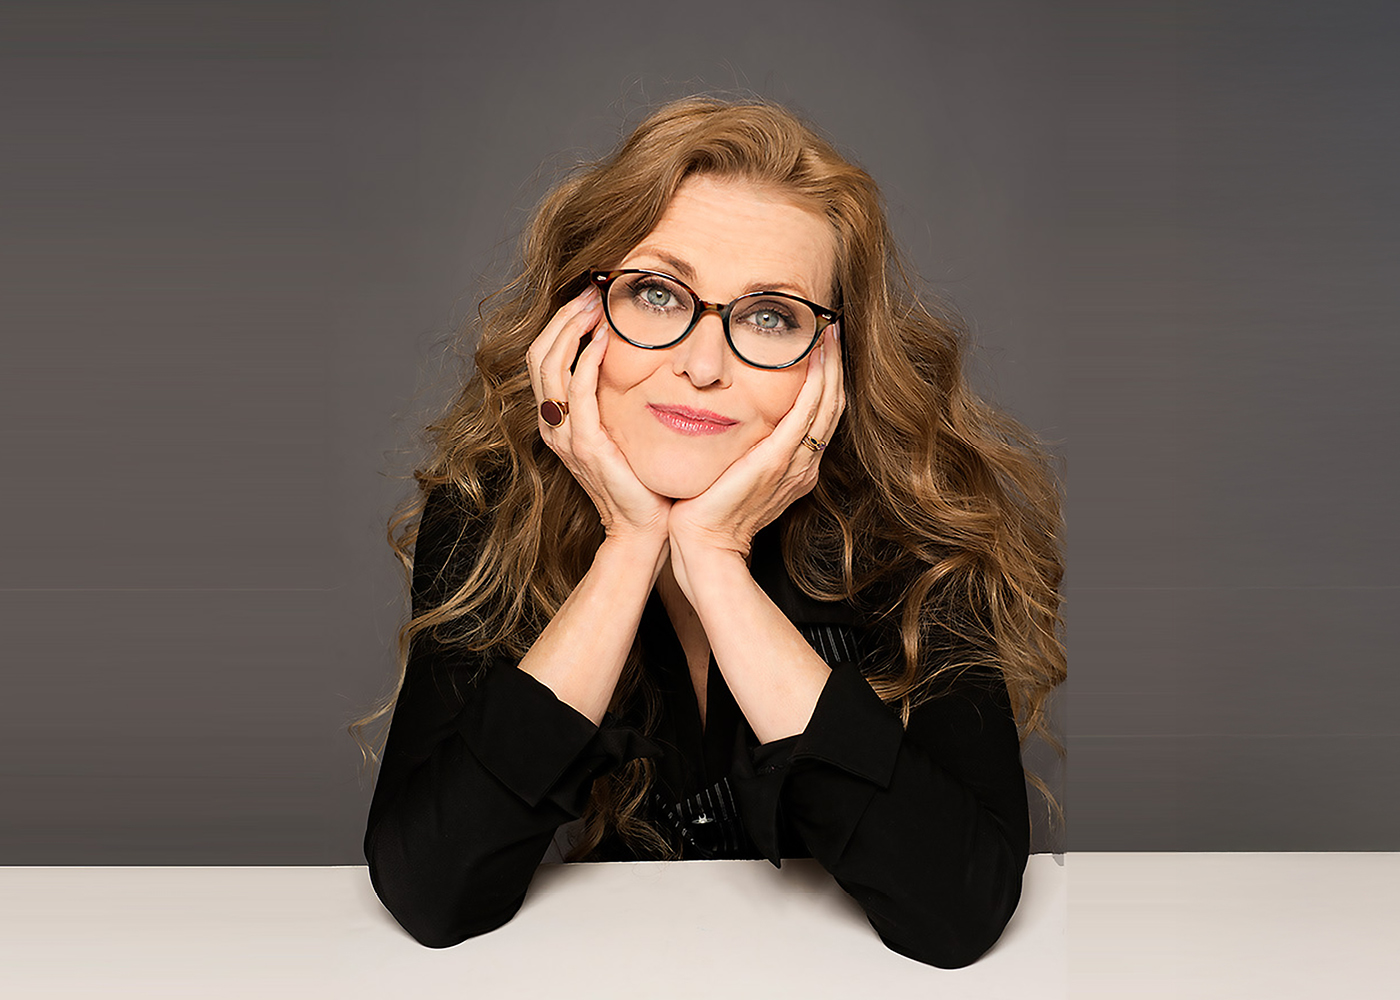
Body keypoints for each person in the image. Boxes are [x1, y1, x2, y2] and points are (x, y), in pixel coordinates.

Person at [354, 97, 1065, 969]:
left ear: (834, 357)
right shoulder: (490, 507)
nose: (702, 365)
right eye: (658, 295)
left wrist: (717, 564)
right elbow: (430, 889)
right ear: (579, 315)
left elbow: (958, 911)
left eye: (771, 316)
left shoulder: (915, 528)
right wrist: (628, 547)